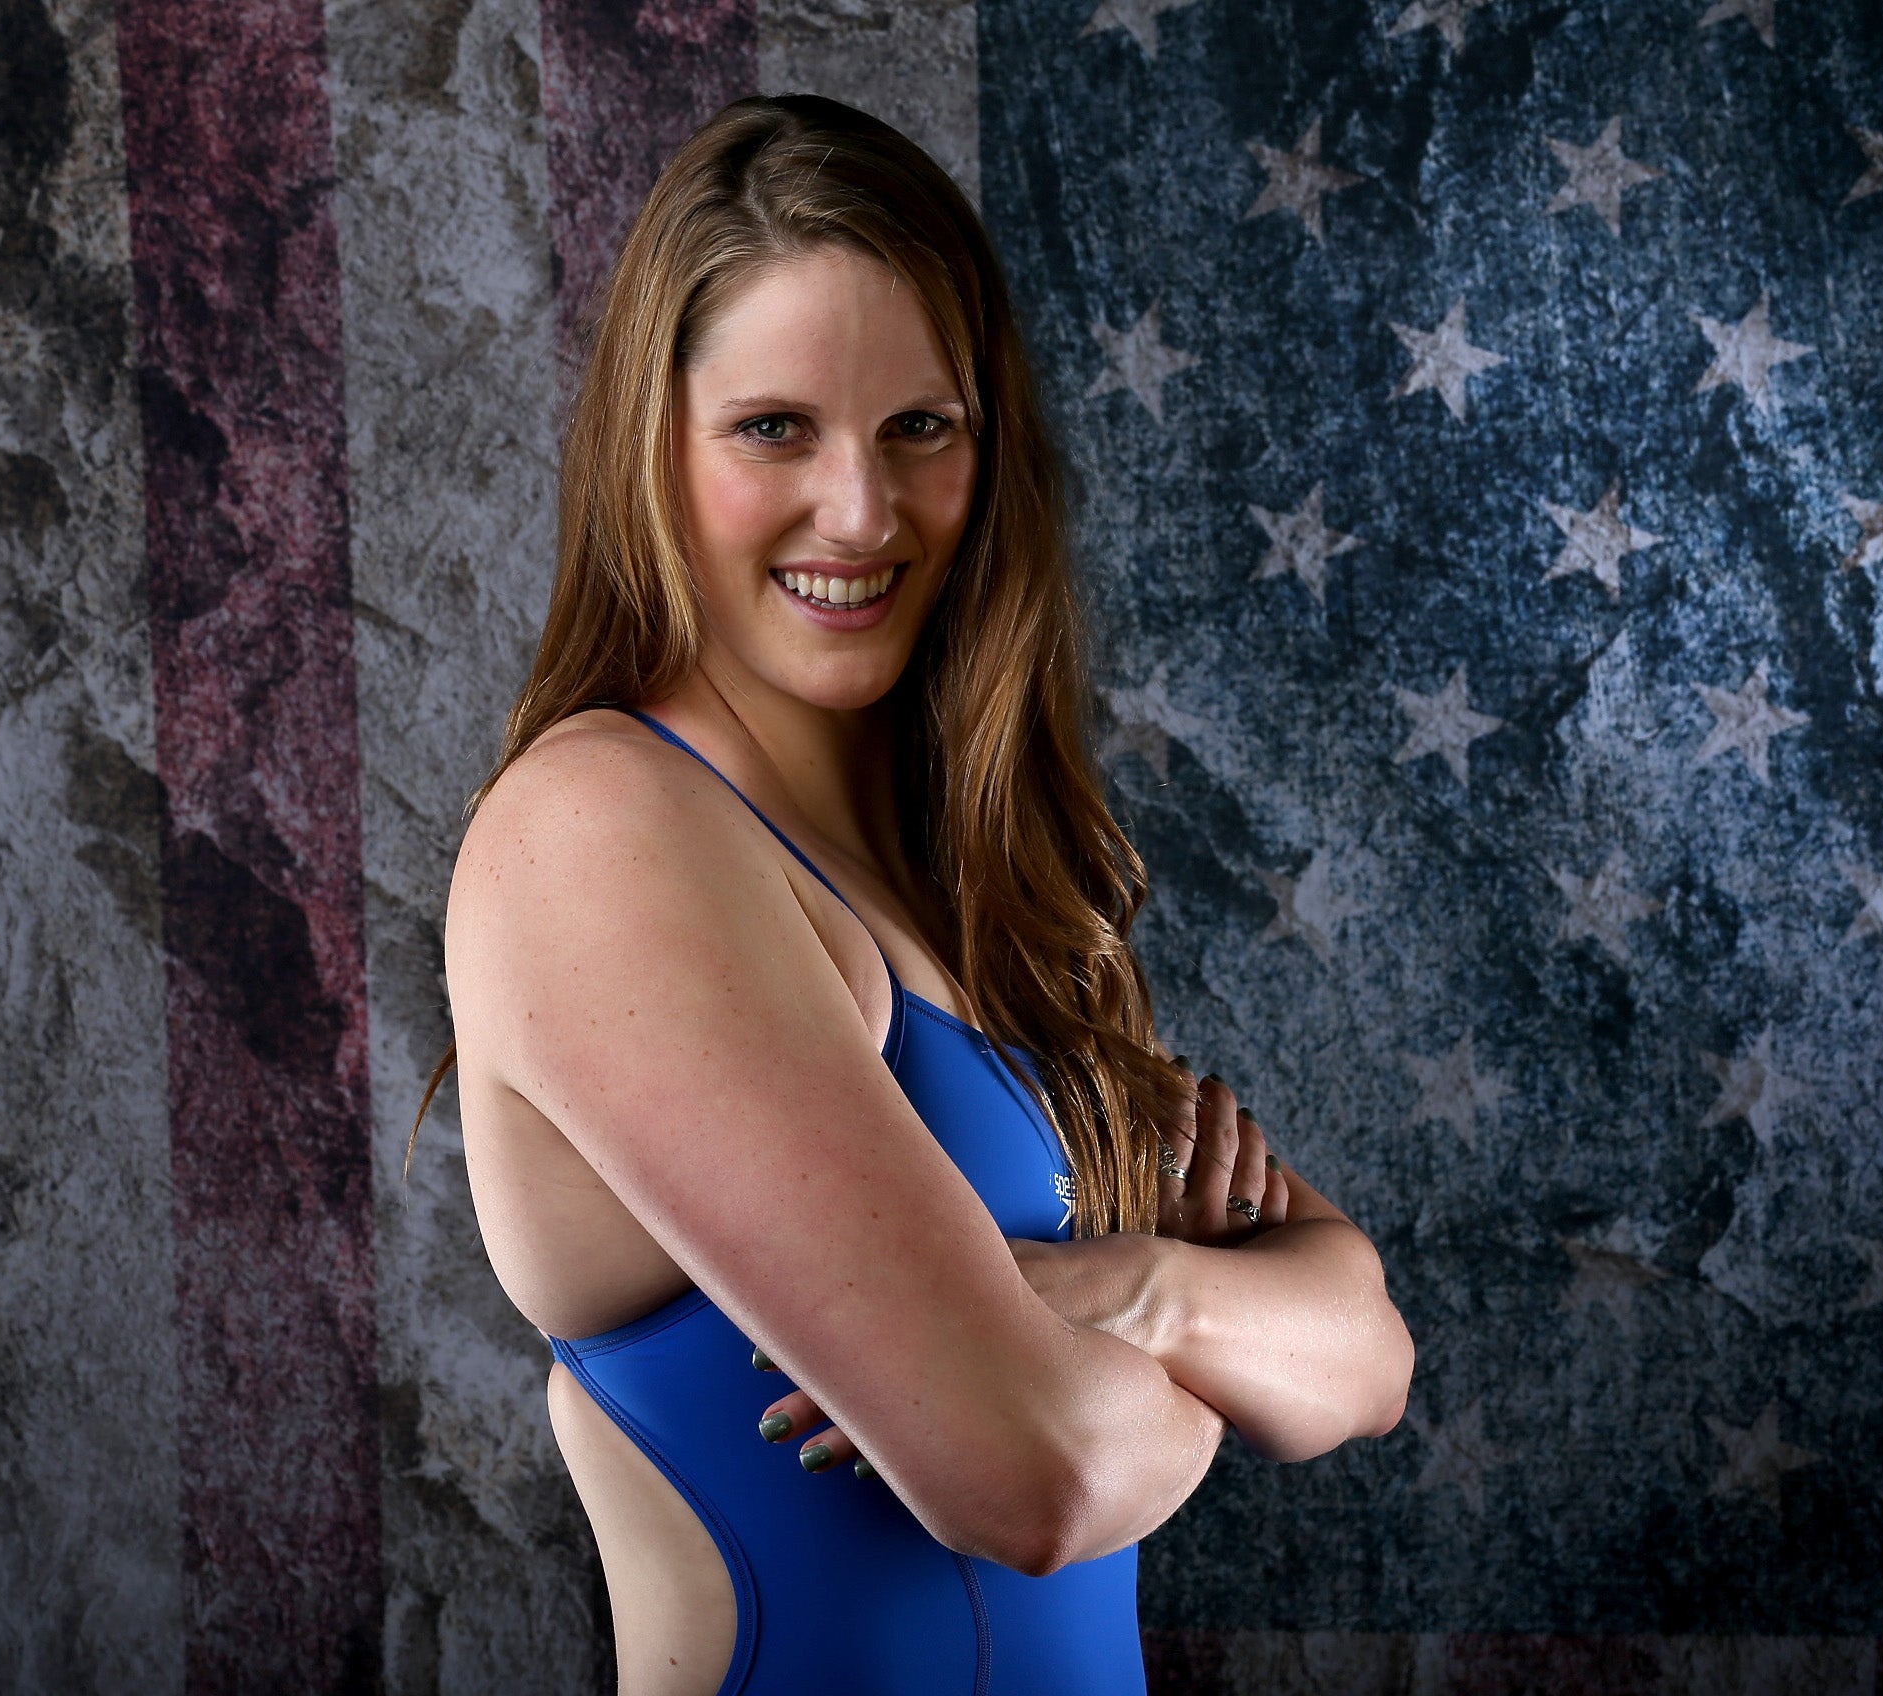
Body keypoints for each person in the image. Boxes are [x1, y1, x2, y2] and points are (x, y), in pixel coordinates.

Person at [426, 95, 1415, 1695]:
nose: (862, 514)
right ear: (654, 444)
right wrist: (1195, 1348)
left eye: (919, 429)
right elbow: (1038, 1483)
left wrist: (1130, 1292)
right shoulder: (601, 829)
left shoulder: (964, 880)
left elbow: (1365, 1359)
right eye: (773, 431)